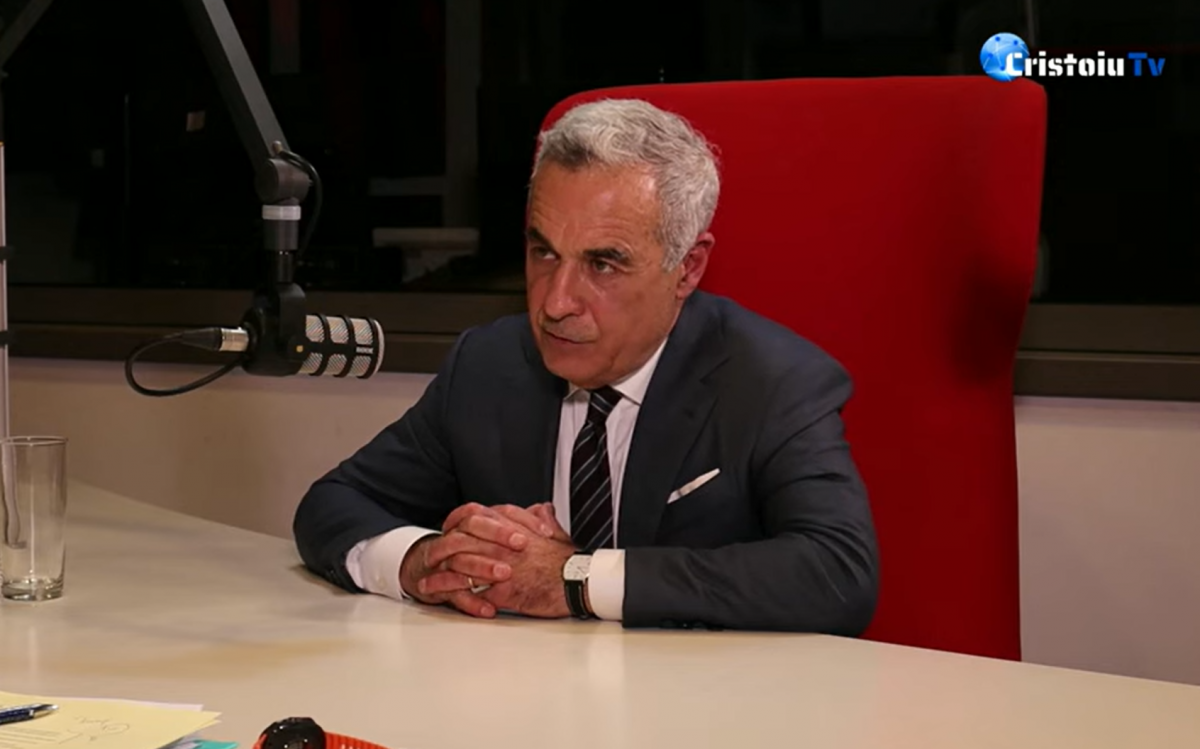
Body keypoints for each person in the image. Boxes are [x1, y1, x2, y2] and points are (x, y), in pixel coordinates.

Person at [293, 98, 879, 633]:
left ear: (688, 268)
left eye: (603, 265)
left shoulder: (773, 380)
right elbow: (334, 503)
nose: (555, 303)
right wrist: (420, 561)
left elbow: (838, 573)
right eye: (543, 252)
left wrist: (575, 579)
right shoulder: (489, 365)